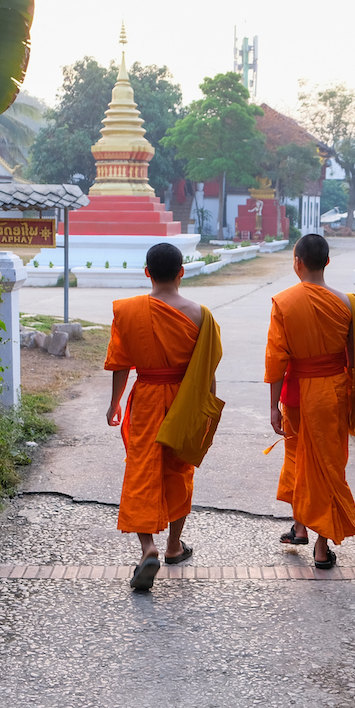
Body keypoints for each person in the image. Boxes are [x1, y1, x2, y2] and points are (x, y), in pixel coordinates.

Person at [105, 243, 223, 590]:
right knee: (179, 471)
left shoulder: (128, 311)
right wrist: (208, 408)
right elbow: (207, 369)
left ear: (147, 273)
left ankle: (148, 547)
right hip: (185, 400)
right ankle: (174, 545)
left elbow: (120, 363)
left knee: (142, 470)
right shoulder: (201, 314)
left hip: (145, 399)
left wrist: (114, 404)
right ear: (182, 272)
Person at [265, 233, 355, 568]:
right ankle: (318, 545)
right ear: (327, 262)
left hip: (295, 393)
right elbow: (354, 358)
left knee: (297, 458)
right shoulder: (348, 304)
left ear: (297, 262)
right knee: (328, 465)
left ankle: (302, 526)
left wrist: (273, 406)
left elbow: (277, 360)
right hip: (333, 392)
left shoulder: (284, 302)